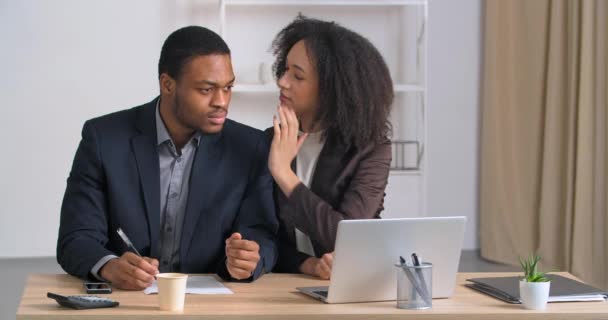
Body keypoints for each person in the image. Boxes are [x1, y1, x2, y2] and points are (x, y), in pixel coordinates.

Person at [56, 26, 278, 290]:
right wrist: (109, 266)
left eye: (227, 87)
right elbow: (76, 237)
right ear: (168, 84)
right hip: (126, 303)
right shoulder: (104, 139)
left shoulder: (250, 147)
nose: (222, 101)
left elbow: (264, 236)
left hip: (213, 306)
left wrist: (250, 258)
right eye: (206, 90)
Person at [268, 16, 393, 279]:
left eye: (297, 76)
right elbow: (262, 235)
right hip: (284, 284)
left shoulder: (371, 149)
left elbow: (344, 235)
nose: (282, 81)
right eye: (285, 69)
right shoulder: (270, 140)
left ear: (331, 89)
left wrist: (284, 174)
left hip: (352, 282)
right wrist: (308, 264)